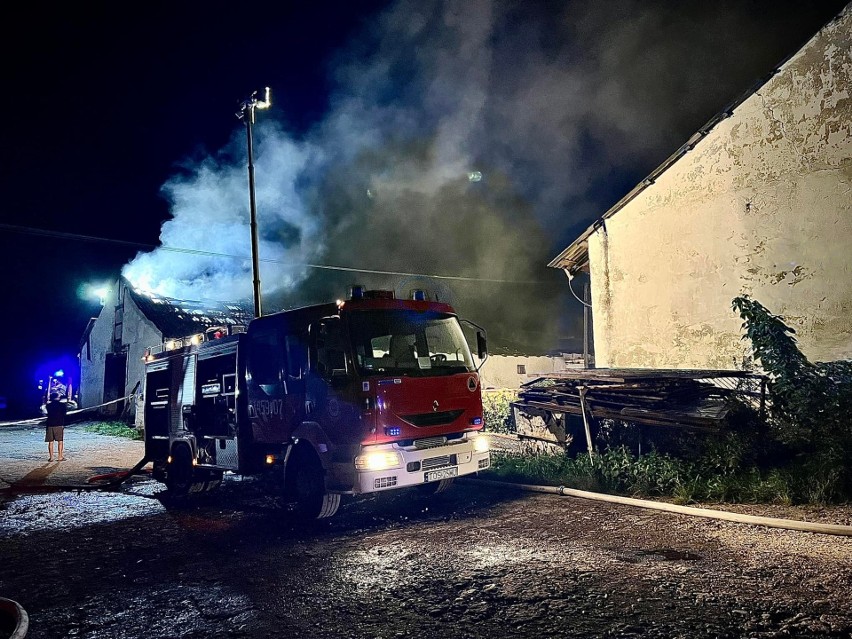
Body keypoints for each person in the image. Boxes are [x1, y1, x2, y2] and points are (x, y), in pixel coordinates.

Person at [45, 391, 68, 462]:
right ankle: (60, 456)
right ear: (58, 397)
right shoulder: (62, 405)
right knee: (60, 441)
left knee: (50, 442)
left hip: (50, 424)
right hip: (59, 424)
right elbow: (64, 414)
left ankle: (51, 457)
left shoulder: (48, 405)